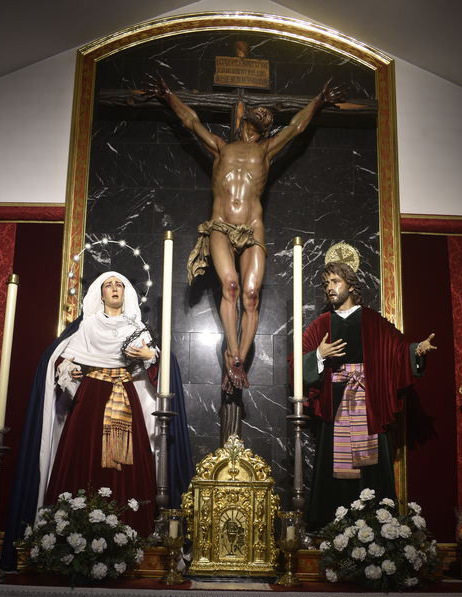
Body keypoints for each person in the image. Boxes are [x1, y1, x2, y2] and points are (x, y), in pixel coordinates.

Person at [144, 73, 347, 393]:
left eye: (269, 116)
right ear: (243, 120)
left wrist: (319, 101)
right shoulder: (221, 146)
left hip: (252, 228)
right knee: (231, 286)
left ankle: (238, 358)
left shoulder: (265, 150)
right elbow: (192, 122)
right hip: (221, 226)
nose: (266, 114)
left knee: (251, 297)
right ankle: (233, 353)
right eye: (260, 111)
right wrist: (168, 95)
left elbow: (296, 127)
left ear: (267, 130)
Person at [1, 271, 193, 568]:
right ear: (100, 294)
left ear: (125, 293)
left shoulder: (137, 328)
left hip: (126, 400)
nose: (114, 289)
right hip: (91, 400)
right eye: (108, 285)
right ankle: (70, 533)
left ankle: (133, 535)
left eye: (119, 285)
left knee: (131, 466)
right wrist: (68, 370)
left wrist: (149, 356)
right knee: (83, 457)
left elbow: (160, 368)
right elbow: (60, 358)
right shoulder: (87, 326)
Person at [289, 261, 437, 531]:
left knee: (372, 468)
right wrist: (319, 355)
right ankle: (330, 527)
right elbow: (295, 363)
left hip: (367, 404)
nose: (330, 288)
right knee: (333, 464)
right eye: (326, 284)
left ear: (350, 285)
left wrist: (416, 350)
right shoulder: (322, 324)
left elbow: (398, 348)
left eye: (336, 281)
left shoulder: (371, 320)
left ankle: (379, 528)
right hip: (335, 406)